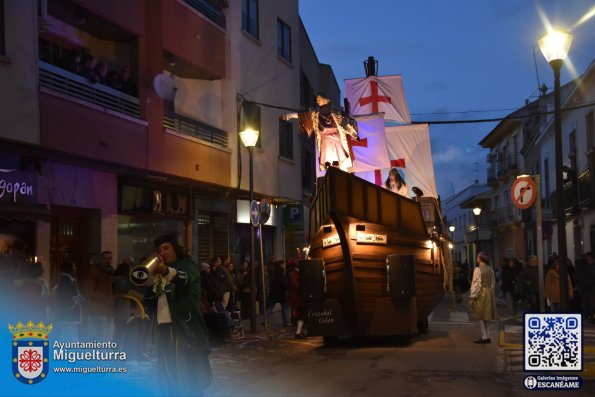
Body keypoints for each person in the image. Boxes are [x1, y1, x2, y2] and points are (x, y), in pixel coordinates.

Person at [142, 234, 212, 396]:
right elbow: (148, 298)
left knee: (187, 374)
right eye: (159, 250)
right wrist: (148, 281)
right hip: (162, 328)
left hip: (183, 328)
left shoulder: (187, 265)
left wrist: (165, 271)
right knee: (167, 373)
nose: (162, 252)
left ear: (176, 249)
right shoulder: (158, 273)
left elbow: (183, 279)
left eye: (166, 248)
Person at [282, 92, 359, 172]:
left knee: (340, 160)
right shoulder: (315, 113)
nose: (317, 101)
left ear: (324, 98)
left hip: (336, 139)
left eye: (318, 99)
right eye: (316, 100)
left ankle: (340, 174)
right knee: (328, 162)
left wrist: (352, 129)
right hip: (324, 140)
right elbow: (303, 115)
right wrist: (289, 116)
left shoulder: (336, 110)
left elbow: (345, 121)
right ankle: (331, 173)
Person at [81, 250, 114, 341]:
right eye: (105, 258)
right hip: (98, 308)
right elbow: (88, 290)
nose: (107, 261)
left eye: (109, 259)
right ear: (101, 259)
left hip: (105, 308)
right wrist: (104, 297)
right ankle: (101, 354)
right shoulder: (95, 271)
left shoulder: (110, 272)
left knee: (104, 335)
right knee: (102, 335)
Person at [468, 252, 497, 344]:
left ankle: (484, 337)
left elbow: (476, 283)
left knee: (480, 315)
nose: (477, 258)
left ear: (480, 258)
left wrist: (472, 296)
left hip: (481, 293)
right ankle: (488, 336)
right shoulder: (490, 269)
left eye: (477, 257)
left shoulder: (478, 269)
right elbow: (493, 283)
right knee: (487, 315)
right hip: (489, 292)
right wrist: (491, 292)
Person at [53, 261, 84, 341]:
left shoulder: (63, 280)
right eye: (74, 266)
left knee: (64, 338)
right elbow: (66, 298)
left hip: (64, 315)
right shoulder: (68, 281)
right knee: (72, 339)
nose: (75, 268)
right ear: (70, 269)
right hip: (70, 315)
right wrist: (77, 301)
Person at [287, 258, 306, 338]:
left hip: (298, 296)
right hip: (297, 296)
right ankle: (298, 332)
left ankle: (299, 331)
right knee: (300, 314)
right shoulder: (292, 273)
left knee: (301, 314)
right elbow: (295, 285)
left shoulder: (295, 272)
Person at [267, 259, 290, 327]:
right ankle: (286, 322)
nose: (284, 265)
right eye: (284, 264)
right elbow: (284, 283)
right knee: (285, 307)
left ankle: (265, 320)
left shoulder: (274, 272)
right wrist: (287, 288)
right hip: (280, 293)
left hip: (273, 293)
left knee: (271, 307)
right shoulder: (281, 272)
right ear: (281, 265)